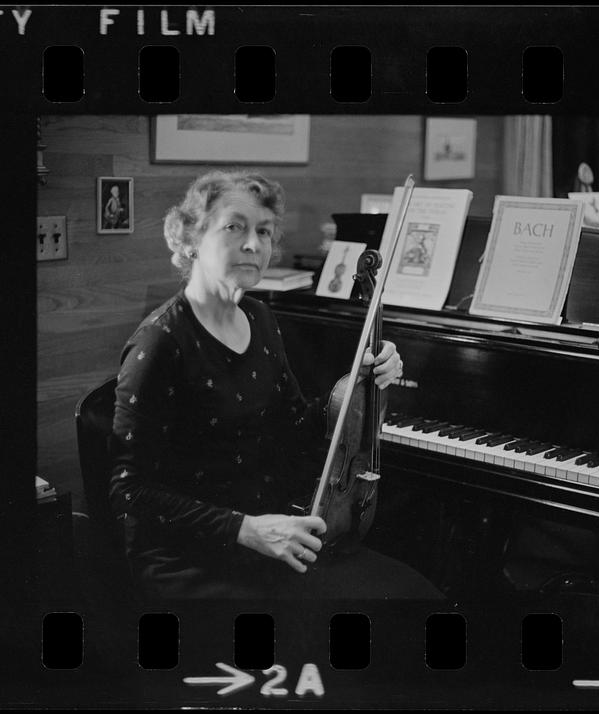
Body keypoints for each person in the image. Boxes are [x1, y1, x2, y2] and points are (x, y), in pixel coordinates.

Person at [108, 170, 442, 600]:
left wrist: (357, 383)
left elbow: (293, 425)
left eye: (264, 231)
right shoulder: (160, 342)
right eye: (235, 227)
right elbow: (127, 489)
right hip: (191, 557)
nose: (254, 244)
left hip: (272, 534)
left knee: (418, 599)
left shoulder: (260, 318)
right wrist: (247, 529)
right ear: (189, 238)